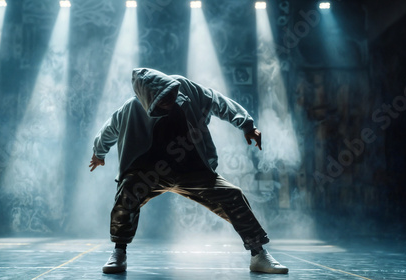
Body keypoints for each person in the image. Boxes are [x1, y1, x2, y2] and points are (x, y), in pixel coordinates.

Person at [89, 68, 288, 274]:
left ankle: (258, 255)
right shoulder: (131, 108)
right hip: (149, 173)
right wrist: (99, 153)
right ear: (149, 100)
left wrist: (246, 124)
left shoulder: (186, 89)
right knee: (127, 192)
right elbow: (109, 130)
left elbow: (218, 102)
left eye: (172, 93)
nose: (171, 99)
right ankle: (119, 252)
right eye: (163, 99)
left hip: (193, 171)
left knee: (233, 195)